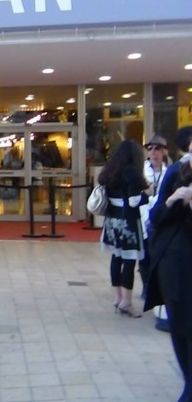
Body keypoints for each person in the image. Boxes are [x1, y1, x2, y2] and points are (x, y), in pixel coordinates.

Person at [145, 126, 192, 401]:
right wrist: (175, 199)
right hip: (175, 261)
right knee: (181, 324)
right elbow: (157, 217)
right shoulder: (178, 173)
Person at [99, 139, 150, 318]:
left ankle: (118, 296)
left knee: (116, 257)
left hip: (112, 221)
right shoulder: (132, 172)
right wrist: (148, 196)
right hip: (128, 221)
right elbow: (134, 201)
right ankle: (127, 301)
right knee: (129, 260)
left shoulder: (110, 171)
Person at [138, 135, 168, 315]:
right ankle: (147, 285)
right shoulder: (141, 170)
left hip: (162, 216)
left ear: (164, 151)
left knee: (158, 254)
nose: (153, 152)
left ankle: (157, 286)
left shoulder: (170, 170)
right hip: (144, 216)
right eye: (150, 149)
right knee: (145, 256)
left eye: (157, 149)